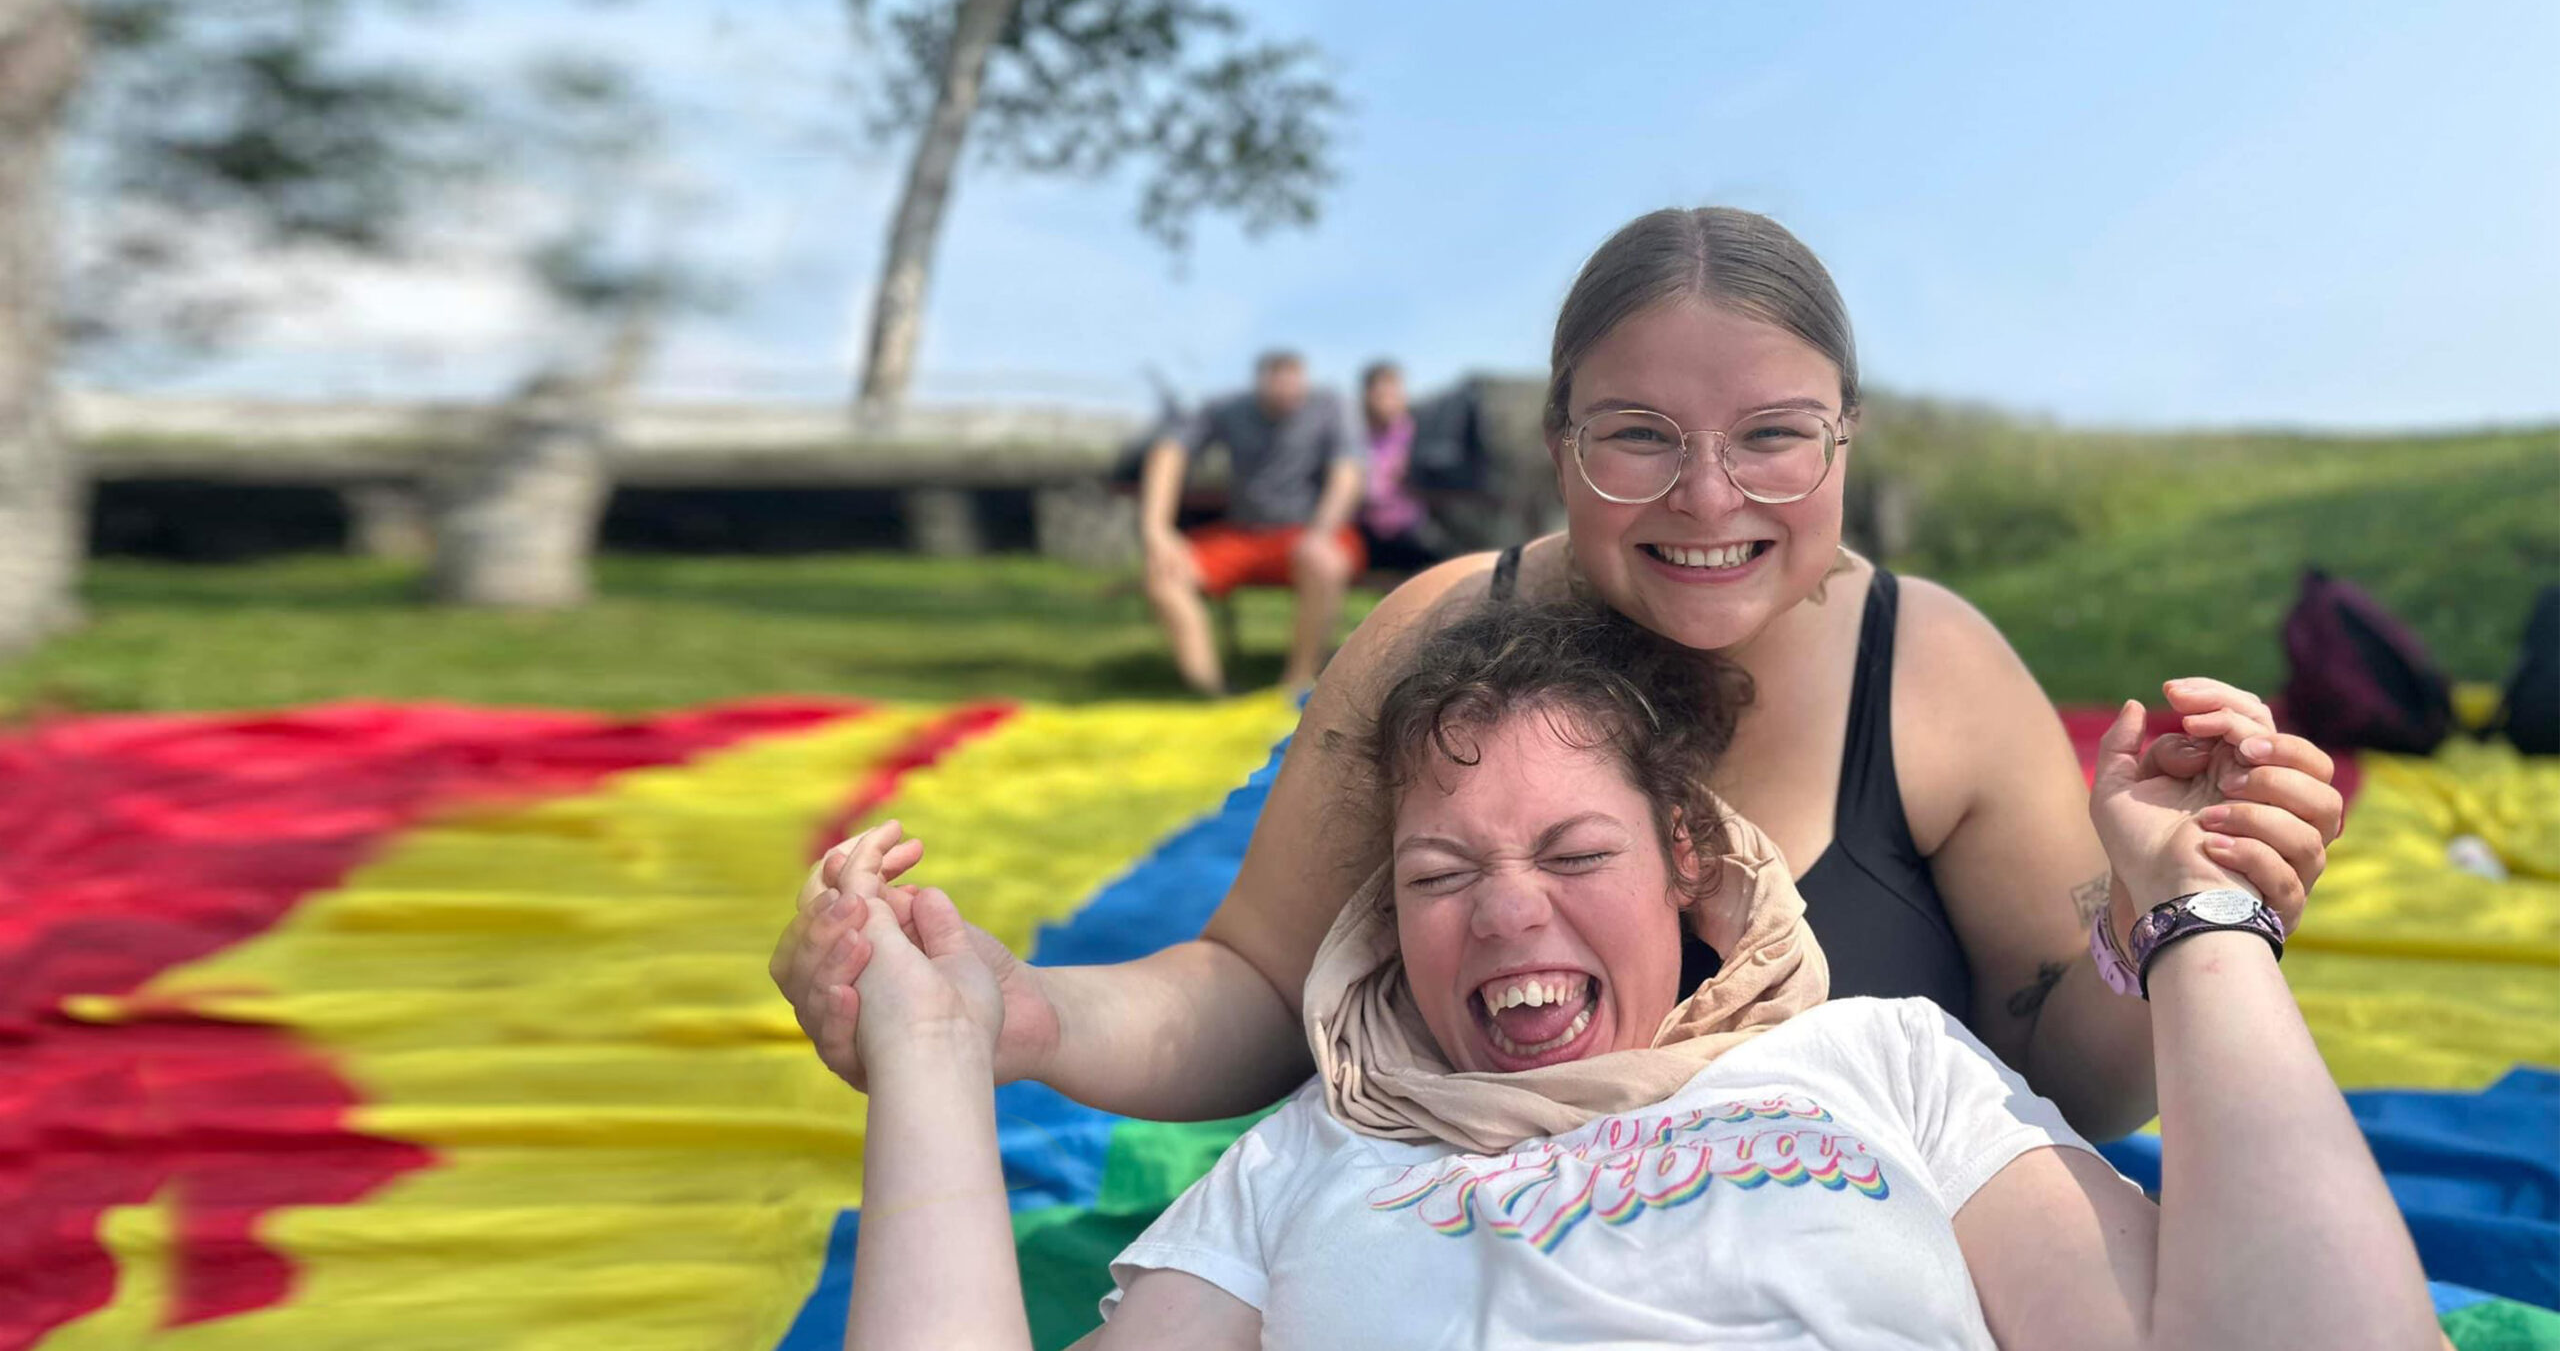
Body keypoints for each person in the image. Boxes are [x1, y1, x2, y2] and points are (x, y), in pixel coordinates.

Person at [777, 206, 2348, 1147]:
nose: (1711, 498)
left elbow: (2072, 1078)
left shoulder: (1927, 670)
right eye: (1641, 435)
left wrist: (2178, 920)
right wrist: (1015, 1012)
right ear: (1558, 446)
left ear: (1845, 440)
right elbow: (1254, 996)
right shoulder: (1441, 629)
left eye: (1774, 436)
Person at [817, 601, 2435, 1350]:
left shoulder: (1885, 1064)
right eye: (1443, 872)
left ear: (1688, 862)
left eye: (1574, 853)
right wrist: (942, 1056)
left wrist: (2197, 917)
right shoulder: (1307, 1155)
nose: (1507, 911)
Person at [1139, 350, 1367, 695]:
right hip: (1243, 535)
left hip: (1309, 531)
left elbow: (1348, 473)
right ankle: (1211, 693)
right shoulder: (1228, 408)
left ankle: (1298, 687)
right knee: (1163, 574)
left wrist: (1321, 531)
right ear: (1260, 381)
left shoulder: (1332, 406)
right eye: (1275, 379)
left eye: (1293, 379)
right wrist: (1157, 530)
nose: (1285, 390)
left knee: (1322, 560)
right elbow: (1170, 450)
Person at [1354, 360, 1447, 575]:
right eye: (1381, 395)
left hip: (1410, 529)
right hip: (1366, 528)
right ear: (1367, 396)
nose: (1389, 402)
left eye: (1394, 394)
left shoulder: (1420, 433)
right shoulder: (1353, 435)